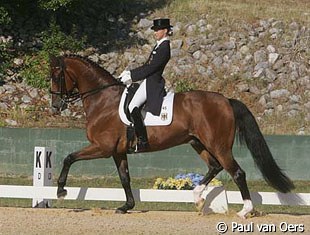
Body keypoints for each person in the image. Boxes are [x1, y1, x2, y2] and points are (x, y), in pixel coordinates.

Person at [119, 18, 173, 153]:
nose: (155, 32)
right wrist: (130, 73)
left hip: (152, 83)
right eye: (154, 30)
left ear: (165, 31)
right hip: (148, 81)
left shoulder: (165, 47)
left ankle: (143, 141)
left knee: (132, 107)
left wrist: (132, 76)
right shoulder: (159, 45)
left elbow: (152, 68)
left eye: (158, 30)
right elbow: (147, 66)